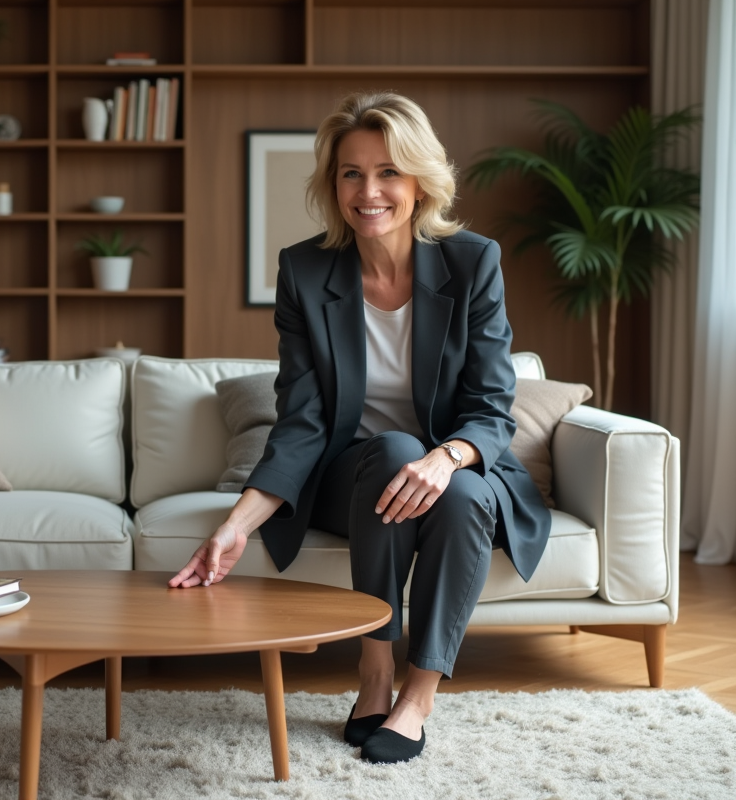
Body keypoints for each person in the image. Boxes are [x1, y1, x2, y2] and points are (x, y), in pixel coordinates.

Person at [169, 92, 551, 764]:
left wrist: (448, 458)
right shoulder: (306, 270)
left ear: (419, 182)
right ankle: (374, 670)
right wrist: (237, 525)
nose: (369, 191)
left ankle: (417, 694)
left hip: (460, 472)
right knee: (394, 448)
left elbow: (493, 406)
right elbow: (304, 420)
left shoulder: (471, 263)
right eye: (351, 173)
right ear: (332, 183)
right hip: (356, 474)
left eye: (388, 173)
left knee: (458, 490)